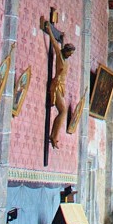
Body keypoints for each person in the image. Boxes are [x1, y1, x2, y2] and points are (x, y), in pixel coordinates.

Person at [44, 21, 76, 149]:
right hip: (56, 85)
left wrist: (62, 38)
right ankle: (54, 136)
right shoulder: (59, 55)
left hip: (61, 86)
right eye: (70, 53)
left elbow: (61, 44)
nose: (71, 55)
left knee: (62, 111)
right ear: (66, 51)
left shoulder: (65, 57)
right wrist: (49, 29)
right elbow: (53, 42)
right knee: (63, 111)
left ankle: (54, 135)